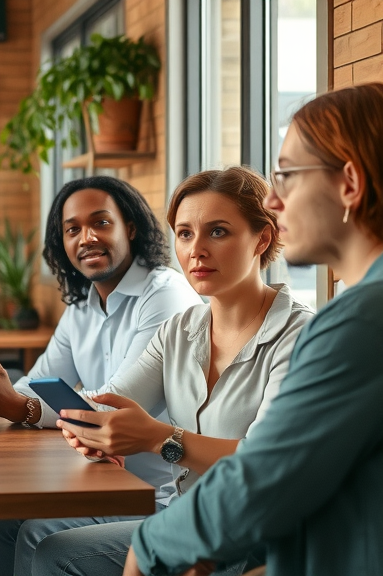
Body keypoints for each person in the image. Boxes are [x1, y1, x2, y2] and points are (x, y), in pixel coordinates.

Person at [123, 83, 383, 576]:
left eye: (286, 175)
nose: (274, 200)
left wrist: (152, 543)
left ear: (349, 184)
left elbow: (263, 478)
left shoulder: (359, 320)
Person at [21, 166, 313, 576]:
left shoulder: (300, 336)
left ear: (262, 238)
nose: (196, 250)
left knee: (55, 551)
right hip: (186, 522)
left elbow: (264, 463)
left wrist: (160, 439)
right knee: (47, 545)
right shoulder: (181, 329)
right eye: (185, 233)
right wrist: (93, 429)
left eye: (218, 231)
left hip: (256, 537)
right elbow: (113, 401)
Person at [0, 176, 202, 576]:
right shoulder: (81, 306)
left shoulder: (165, 294)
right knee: (2, 518)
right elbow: (41, 380)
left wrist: (20, 407)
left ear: (129, 228)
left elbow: (112, 403)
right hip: (98, 476)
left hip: (156, 492)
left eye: (100, 223)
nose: (86, 237)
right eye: (72, 229)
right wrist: (6, 395)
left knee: (38, 535)